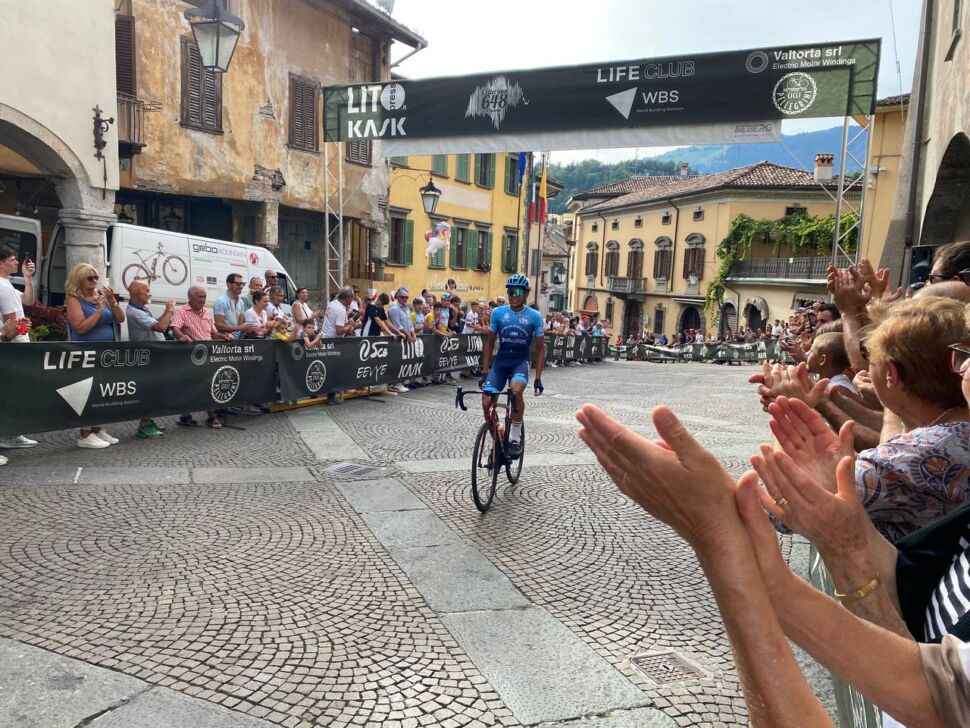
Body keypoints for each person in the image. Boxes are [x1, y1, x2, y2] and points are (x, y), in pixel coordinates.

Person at [478, 274, 544, 459]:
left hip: (520, 362)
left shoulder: (535, 316)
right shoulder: (498, 313)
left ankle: (515, 437)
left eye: (517, 292)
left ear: (526, 294)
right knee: (486, 401)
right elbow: (490, 343)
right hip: (501, 362)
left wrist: (538, 378)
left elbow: (540, 349)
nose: (513, 295)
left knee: (515, 391)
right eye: (510, 291)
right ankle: (498, 439)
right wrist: (484, 371)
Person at [65, 263, 125, 449]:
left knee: (101, 391)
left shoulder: (101, 296)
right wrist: (99, 310)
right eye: (90, 278)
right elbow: (80, 328)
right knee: (87, 392)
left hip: (106, 352)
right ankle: (85, 434)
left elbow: (120, 318)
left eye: (96, 277)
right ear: (79, 280)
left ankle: (97, 428)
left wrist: (112, 301)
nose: (94, 281)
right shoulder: (74, 299)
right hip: (86, 352)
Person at [172, 286, 234, 428]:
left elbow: (213, 333)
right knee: (194, 386)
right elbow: (174, 327)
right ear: (190, 297)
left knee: (205, 384)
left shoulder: (206, 311)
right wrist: (181, 336)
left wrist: (224, 336)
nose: (203, 300)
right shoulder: (181, 311)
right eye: (199, 297)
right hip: (190, 356)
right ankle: (208, 416)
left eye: (204, 296)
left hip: (208, 355)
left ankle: (192, 416)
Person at [124, 280, 175, 438]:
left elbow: (156, 323)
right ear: (138, 293)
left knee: (153, 390)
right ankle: (144, 425)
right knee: (148, 392)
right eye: (147, 290)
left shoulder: (141, 309)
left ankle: (148, 421)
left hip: (153, 355)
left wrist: (165, 313)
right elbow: (161, 327)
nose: (149, 293)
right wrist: (169, 311)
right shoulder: (135, 312)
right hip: (147, 357)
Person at [0, 247, 39, 452]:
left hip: (13, 342)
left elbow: (28, 301)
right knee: (15, 391)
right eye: (13, 260)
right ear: (1, 263)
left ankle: (11, 433)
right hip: (14, 345)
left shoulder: (6, 285)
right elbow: (11, 323)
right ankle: (10, 434)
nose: (17, 263)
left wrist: (27, 278)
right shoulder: (3, 287)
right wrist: (19, 331)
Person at [213, 273, 253, 339]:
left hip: (237, 340)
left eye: (242, 284)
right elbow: (218, 326)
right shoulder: (221, 301)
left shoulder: (241, 302)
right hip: (224, 340)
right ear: (229, 284)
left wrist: (250, 327)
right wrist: (241, 328)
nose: (241, 286)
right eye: (238, 284)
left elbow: (240, 325)